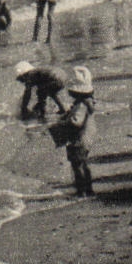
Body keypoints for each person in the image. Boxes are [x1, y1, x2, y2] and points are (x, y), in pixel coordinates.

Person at [56, 66, 97, 196]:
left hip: (79, 139)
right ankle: (89, 189)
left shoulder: (80, 105)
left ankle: (82, 190)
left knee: (77, 165)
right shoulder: (88, 103)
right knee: (83, 163)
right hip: (86, 138)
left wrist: (64, 122)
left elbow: (76, 122)